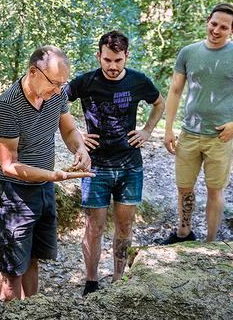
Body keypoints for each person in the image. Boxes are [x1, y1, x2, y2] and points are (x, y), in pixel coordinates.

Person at [65, 31, 164, 296]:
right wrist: (75, 133)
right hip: (95, 166)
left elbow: (159, 103)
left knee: (124, 226)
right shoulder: (85, 82)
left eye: (118, 60)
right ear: (99, 56)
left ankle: (118, 280)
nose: (112, 66)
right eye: (107, 60)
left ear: (126, 57)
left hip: (130, 165)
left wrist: (147, 131)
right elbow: (56, 101)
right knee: (93, 227)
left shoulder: (137, 81)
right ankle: (91, 282)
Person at [0, 45, 94, 301]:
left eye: (63, 84)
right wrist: (54, 176)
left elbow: (69, 130)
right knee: (12, 268)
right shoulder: (7, 106)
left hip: (45, 187)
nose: (59, 90)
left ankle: (31, 313)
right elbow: (9, 165)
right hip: (14, 193)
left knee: (33, 257)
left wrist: (80, 148)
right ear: (33, 72)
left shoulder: (56, 94)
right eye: (54, 83)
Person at [161, 3, 233, 244]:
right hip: (189, 133)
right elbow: (176, 90)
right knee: (184, 188)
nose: (217, 30)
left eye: (223, 27)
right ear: (207, 21)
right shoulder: (188, 52)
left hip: (221, 137)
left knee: (214, 189)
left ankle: (211, 242)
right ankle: (183, 233)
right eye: (214, 24)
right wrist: (168, 128)